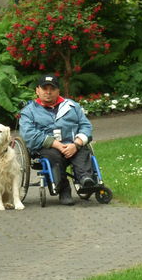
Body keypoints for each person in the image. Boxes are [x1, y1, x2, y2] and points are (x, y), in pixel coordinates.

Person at [19, 74, 96, 205]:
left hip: (72, 143)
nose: (48, 92)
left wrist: (76, 144)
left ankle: (85, 180)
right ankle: (64, 190)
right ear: (37, 90)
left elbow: (86, 126)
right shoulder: (29, 111)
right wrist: (55, 144)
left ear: (58, 91)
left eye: (52, 89)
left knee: (82, 151)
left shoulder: (72, 106)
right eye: (44, 88)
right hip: (47, 147)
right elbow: (28, 134)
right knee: (53, 156)